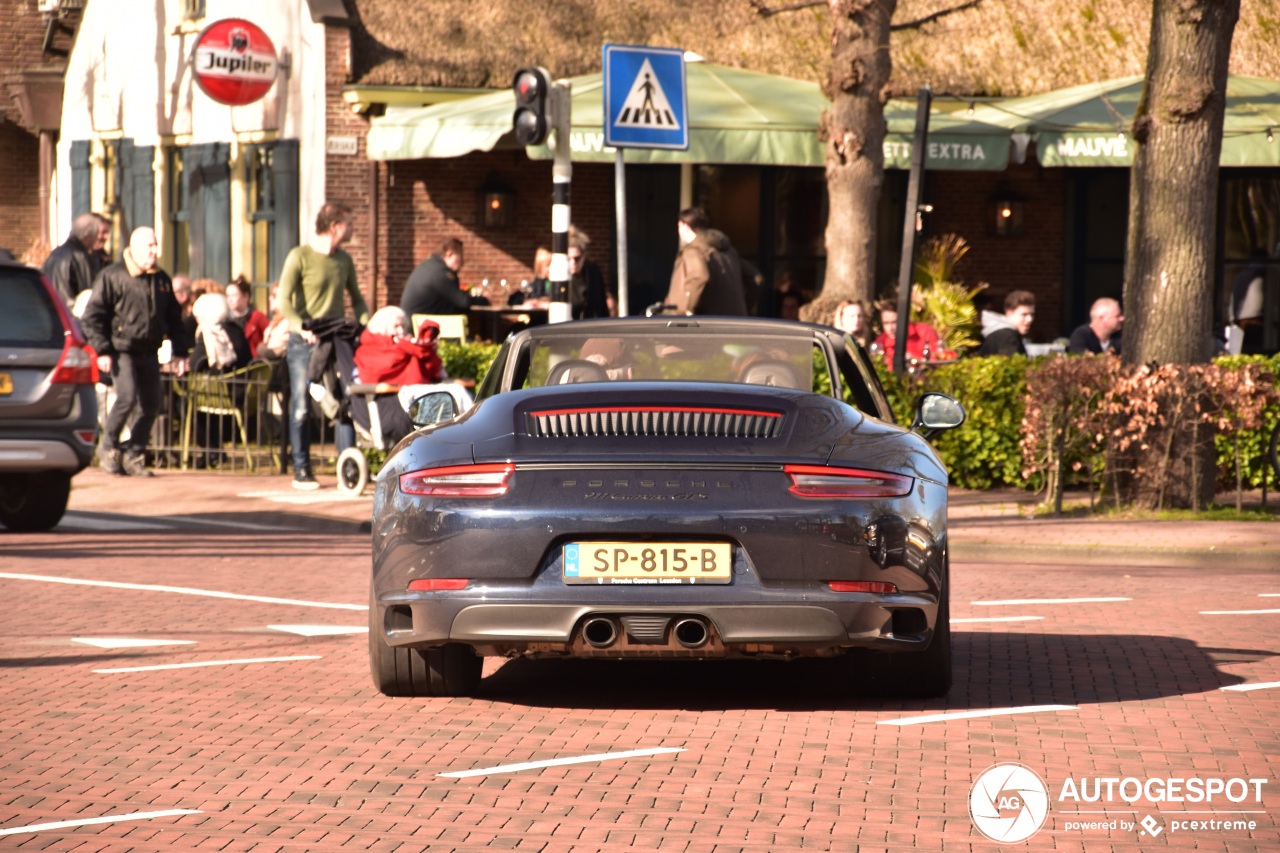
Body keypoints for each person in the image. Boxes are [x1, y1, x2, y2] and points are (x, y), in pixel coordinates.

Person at [80, 226, 189, 477]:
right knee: (126, 397)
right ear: (135, 247)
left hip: (149, 350)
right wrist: (103, 350)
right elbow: (93, 317)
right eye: (149, 246)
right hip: (121, 350)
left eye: (155, 245)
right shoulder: (112, 276)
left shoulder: (161, 279)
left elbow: (174, 319)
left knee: (151, 405)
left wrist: (181, 353)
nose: (154, 251)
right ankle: (108, 447)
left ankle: (134, 453)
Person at [278, 201, 370, 490]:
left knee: (344, 401)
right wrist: (299, 326)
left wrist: (368, 328)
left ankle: (348, 470)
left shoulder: (344, 260)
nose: (353, 228)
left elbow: (356, 299)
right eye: (350, 223)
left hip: (335, 340)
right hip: (303, 343)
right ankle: (302, 470)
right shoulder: (299, 256)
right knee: (303, 406)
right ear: (335, 227)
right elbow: (283, 299)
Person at [353, 306, 446, 444]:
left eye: (403, 326)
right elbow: (377, 372)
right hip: (390, 408)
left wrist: (426, 351)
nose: (401, 331)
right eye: (396, 326)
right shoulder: (369, 350)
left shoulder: (410, 348)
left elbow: (434, 370)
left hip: (419, 404)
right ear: (382, 327)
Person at [664, 207, 749, 316]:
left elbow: (701, 277)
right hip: (733, 319)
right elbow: (757, 279)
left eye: (679, 226)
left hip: (703, 322)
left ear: (684, 225)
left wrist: (689, 310)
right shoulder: (728, 252)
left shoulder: (693, 251)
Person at [400, 237, 487, 317]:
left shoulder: (429, 266)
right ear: (449, 254)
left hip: (415, 321)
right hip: (422, 328)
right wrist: (484, 299)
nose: (462, 263)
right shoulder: (440, 273)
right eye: (460, 257)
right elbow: (463, 302)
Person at [41, 213, 100, 306]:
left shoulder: (55, 253)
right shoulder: (80, 257)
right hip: (70, 313)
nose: (96, 240)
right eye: (95, 235)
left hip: (51, 310)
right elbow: (87, 293)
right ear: (87, 236)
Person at [872, 300, 941, 367]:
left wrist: (916, 361)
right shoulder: (881, 341)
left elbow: (939, 360)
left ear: (905, 319)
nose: (890, 328)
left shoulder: (924, 332)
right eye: (886, 323)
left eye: (894, 322)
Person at [567, 226, 615, 319]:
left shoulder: (593, 273)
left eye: (577, 258)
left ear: (583, 256)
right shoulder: (559, 276)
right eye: (569, 259)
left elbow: (601, 306)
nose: (573, 263)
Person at [1229, 249, 1268, 355]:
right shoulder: (1264, 275)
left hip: (1240, 322)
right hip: (1257, 322)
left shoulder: (1241, 275)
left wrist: (1232, 319)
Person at [977, 290, 1036, 356]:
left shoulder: (1001, 333)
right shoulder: (1007, 337)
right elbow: (1012, 365)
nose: (1029, 319)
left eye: (1032, 315)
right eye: (1024, 314)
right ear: (1009, 314)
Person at [225, 275, 269, 358]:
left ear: (246, 296)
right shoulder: (227, 320)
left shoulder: (257, 317)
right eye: (228, 296)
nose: (230, 299)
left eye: (234, 296)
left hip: (255, 363)